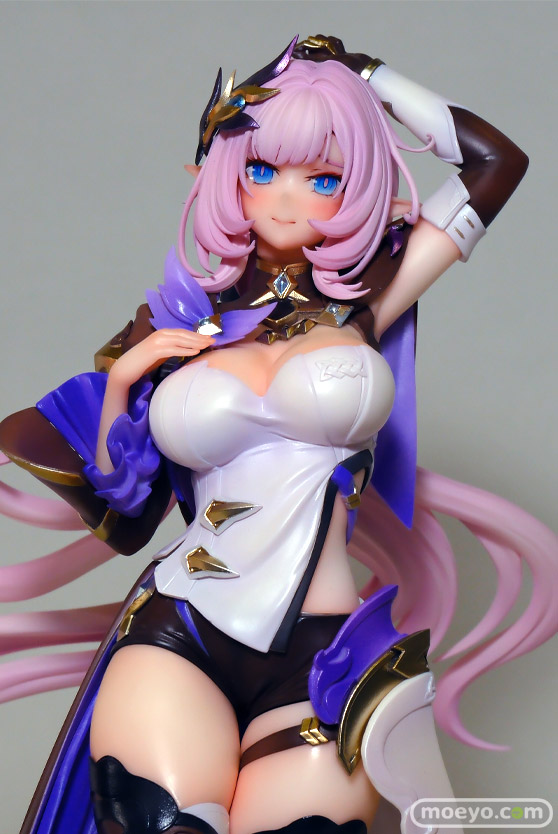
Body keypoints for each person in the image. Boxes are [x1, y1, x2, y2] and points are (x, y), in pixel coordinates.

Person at [0, 34, 555, 834]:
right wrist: (125, 381)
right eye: (262, 170)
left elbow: (495, 163)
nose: (286, 199)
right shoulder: (177, 321)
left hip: (325, 660)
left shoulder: (367, 304)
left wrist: (364, 77)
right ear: (226, 171)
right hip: (179, 628)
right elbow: (123, 496)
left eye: (323, 177)